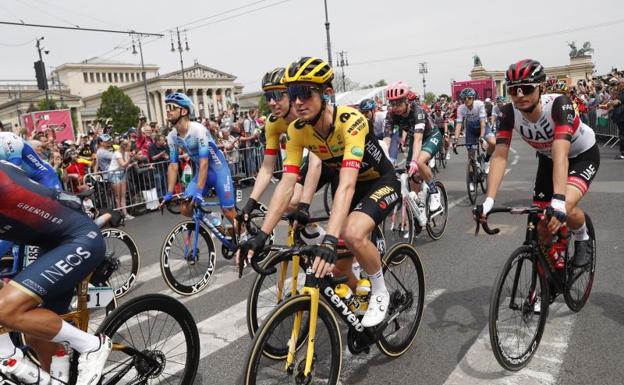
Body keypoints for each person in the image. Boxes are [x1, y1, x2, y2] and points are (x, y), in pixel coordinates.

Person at [239, 57, 400, 328]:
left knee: (351, 232)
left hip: (378, 181)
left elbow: (348, 184)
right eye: (293, 94)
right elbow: (287, 183)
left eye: (304, 93)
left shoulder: (351, 121)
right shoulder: (296, 131)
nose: (298, 101)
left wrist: (330, 238)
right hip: (345, 183)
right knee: (339, 267)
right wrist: (263, 235)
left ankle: (380, 290)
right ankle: (358, 301)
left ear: (326, 94)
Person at [480, 59, 599, 267]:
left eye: (526, 88)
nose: (519, 95)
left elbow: (561, 152)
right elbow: (499, 156)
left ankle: (582, 236)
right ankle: (551, 273)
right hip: (549, 157)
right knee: (541, 223)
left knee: (566, 208)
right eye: (513, 89)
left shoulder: (559, 105)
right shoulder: (507, 113)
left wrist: (560, 200)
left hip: (581, 155)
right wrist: (489, 200)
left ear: (541, 88)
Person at [0, 162, 111, 385]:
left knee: (6, 309)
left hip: (79, 238)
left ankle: (93, 346)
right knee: (34, 334)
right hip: (50, 243)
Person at [240, 67, 323, 221]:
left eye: (277, 95)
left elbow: (315, 162)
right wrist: (251, 201)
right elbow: (266, 168)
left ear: (291, 95)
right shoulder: (273, 123)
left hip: (325, 157)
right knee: (286, 204)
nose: (271, 102)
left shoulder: (307, 115)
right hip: (307, 159)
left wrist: (304, 205)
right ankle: (312, 231)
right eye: (268, 96)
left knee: (293, 201)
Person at [160, 92, 237, 226]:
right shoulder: (171, 136)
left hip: (218, 170)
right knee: (186, 208)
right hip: (202, 174)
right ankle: (214, 221)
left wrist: (199, 192)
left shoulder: (198, 130)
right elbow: (173, 166)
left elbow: (204, 162)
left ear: (184, 111)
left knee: (228, 211)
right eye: (166, 107)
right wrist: (169, 193)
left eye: (171, 107)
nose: (167, 111)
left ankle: (245, 236)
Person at [384, 82, 443, 212]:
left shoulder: (418, 111)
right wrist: (385, 158)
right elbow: (387, 139)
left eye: (399, 103)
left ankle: (434, 192)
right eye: (392, 104)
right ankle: (419, 205)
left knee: (419, 162)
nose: (396, 107)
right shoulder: (391, 115)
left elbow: (418, 139)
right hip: (413, 138)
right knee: (411, 174)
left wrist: (415, 162)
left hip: (430, 136)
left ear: (407, 101)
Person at [452, 87, 496, 182]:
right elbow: (459, 124)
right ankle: (471, 179)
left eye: (469, 98)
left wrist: (482, 137)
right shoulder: (461, 108)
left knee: (493, 143)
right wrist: (455, 140)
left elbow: (482, 123)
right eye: (464, 99)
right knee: (471, 155)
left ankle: (487, 161)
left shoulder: (479, 104)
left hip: (482, 126)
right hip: (471, 129)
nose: (467, 100)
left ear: (473, 98)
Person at [108, 139, 136, 220]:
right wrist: (130, 159)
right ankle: (120, 216)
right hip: (114, 174)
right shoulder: (117, 153)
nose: (130, 148)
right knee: (118, 196)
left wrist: (131, 162)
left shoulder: (126, 153)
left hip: (122, 173)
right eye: (129, 147)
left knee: (123, 195)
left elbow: (125, 166)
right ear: (124, 147)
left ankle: (125, 214)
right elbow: (123, 164)